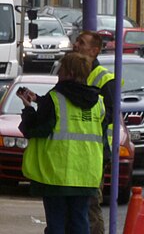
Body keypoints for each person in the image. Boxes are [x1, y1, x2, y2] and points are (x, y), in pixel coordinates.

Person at [18, 52, 105, 234]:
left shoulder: (55, 98)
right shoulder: (97, 102)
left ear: (69, 72)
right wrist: (40, 101)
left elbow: (34, 129)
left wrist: (28, 109)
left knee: (56, 222)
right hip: (86, 174)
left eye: (61, 69)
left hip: (56, 173)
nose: (58, 73)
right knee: (80, 220)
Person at [74, 30, 116, 234]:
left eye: (81, 42)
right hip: (75, 149)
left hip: (96, 151)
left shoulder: (104, 78)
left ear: (94, 50)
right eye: (77, 41)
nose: (76, 45)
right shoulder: (73, 72)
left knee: (90, 203)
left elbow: (110, 115)